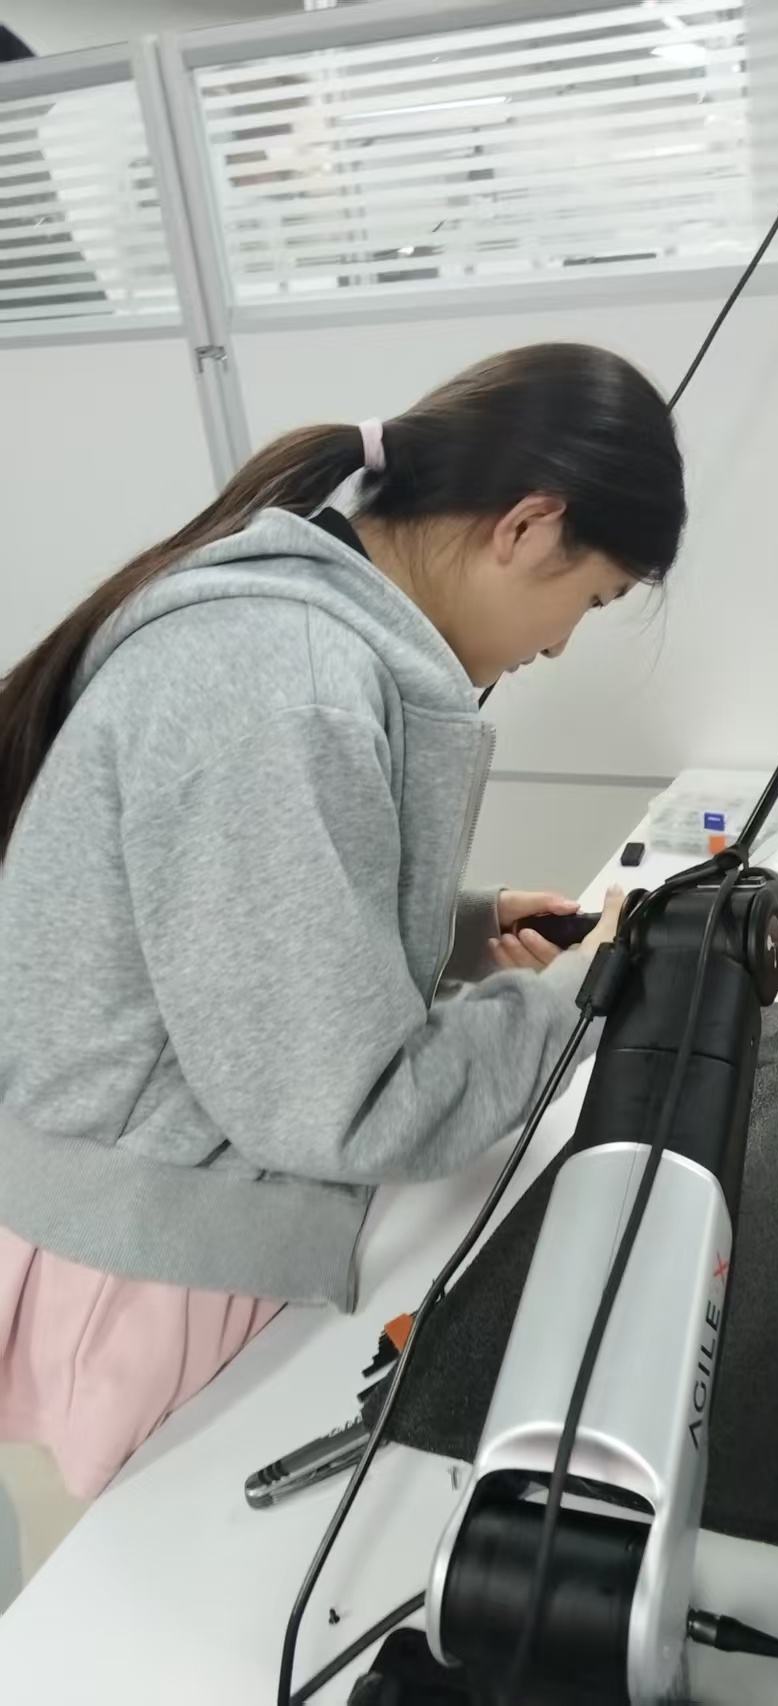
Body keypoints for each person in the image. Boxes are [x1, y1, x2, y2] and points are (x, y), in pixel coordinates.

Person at [0, 342, 685, 1498]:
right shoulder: (287, 681)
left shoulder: (294, 641)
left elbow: (222, 929)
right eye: (590, 599)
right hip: (142, 1267)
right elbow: (346, 1106)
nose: (562, 642)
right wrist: (582, 992)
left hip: (144, 1228)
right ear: (524, 526)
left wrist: (467, 930)